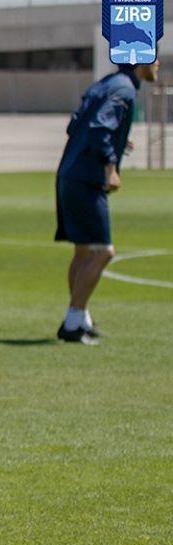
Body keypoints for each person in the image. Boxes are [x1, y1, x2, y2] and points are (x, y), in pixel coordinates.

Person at [54, 59, 160, 343]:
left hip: (69, 174)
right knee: (103, 252)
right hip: (86, 179)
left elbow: (76, 125)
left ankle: (80, 318)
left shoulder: (106, 84)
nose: (158, 63)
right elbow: (100, 129)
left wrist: (119, 140)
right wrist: (110, 166)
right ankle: (72, 322)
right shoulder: (124, 89)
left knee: (83, 252)